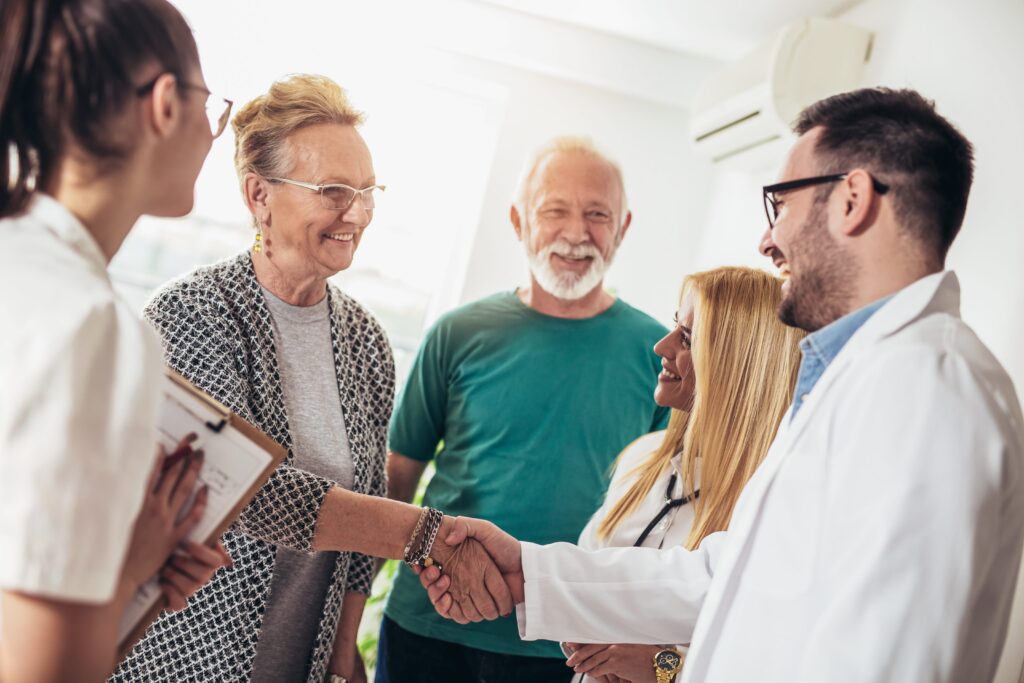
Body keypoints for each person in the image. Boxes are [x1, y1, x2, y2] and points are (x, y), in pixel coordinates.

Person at [424, 88, 1024, 683]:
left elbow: (883, 664)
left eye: (780, 205)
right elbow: (724, 576)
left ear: (853, 201)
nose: (768, 241)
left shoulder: (926, 393)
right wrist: (527, 569)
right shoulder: (865, 378)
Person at [111, 74, 511, 683]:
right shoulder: (192, 313)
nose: (357, 212)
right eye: (332, 190)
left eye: (367, 190)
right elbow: (253, 495)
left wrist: (345, 645)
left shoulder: (366, 339)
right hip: (182, 657)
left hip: (302, 657)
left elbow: (367, 509)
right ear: (259, 195)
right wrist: (428, 534)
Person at [377, 136, 670, 682]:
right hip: (427, 629)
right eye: (554, 211)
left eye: (597, 214)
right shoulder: (457, 333)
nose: (577, 233)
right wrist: (348, 623)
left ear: (623, 227)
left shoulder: (663, 355)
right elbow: (395, 480)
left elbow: (662, 524)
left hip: (567, 646)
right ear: (518, 220)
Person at [0, 0, 233, 680]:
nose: (211, 132)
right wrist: (126, 563)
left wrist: (132, 569)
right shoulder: (91, 327)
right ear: (164, 105)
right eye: (209, 107)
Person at [564, 266, 803, 683]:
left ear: (737, 363)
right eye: (676, 327)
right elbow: (583, 573)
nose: (661, 345)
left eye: (687, 338)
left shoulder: (775, 503)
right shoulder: (642, 458)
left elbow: (773, 662)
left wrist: (664, 668)